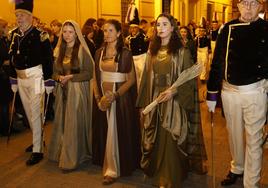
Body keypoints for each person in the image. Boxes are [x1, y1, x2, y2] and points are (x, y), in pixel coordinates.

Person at [136, 13, 207, 188]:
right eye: (158, 25)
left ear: (173, 28)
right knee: (155, 138)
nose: (160, 28)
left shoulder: (181, 52)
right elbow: (145, 79)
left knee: (171, 138)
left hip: (174, 102)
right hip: (155, 100)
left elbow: (189, 80)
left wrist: (173, 92)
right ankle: (156, 170)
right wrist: (144, 103)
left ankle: (170, 174)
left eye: (165, 24)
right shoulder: (151, 51)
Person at [206, 0, 268, 187]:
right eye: (244, 2)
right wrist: (211, 92)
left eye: (253, 3)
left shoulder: (266, 29)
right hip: (229, 91)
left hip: (255, 91)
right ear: (238, 6)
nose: (248, 7)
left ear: (261, 7)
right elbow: (217, 60)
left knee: (254, 139)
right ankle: (237, 167)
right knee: (233, 134)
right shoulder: (227, 28)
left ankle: (251, 182)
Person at [92, 19, 140, 185]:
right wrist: (99, 98)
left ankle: (113, 169)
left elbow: (132, 79)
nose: (107, 34)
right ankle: (108, 162)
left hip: (120, 99)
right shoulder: (98, 52)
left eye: (111, 30)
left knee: (117, 131)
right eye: (105, 30)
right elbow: (94, 77)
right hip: (103, 99)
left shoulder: (125, 53)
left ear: (119, 33)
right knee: (105, 131)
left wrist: (116, 95)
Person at [8, 0, 53, 165]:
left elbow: (48, 59)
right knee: (28, 112)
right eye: (17, 15)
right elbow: (12, 57)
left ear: (30, 16)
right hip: (20, 78)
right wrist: (13, 77)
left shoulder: (40, 35)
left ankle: (38, 150)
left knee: (36, 113)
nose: (19, 18)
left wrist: (48, 80)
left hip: (36, 78)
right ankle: (37, 141)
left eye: (21, 15)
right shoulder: (14, 34)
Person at [48, 20, 94, 171]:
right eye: (65, 31)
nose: (67, 35)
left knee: (74, 124)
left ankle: (73, 157)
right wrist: (59, 78)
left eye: (70, 32)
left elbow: (88, 73)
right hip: (63, 92)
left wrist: (71, 77)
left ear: (76, 33)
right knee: (62, 122)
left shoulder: (82, 50)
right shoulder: (59, 50)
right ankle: (62, 152)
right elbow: (54, 72)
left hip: (78, 92)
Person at [0, 18, 11, 136]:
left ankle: (5, 125)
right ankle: (4, 127)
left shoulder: (4, 40)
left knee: (4, 103)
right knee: (3, 103)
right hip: (2, 76)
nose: (8, 29)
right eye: (6, 27)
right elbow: (5, 57)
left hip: (4, 75)